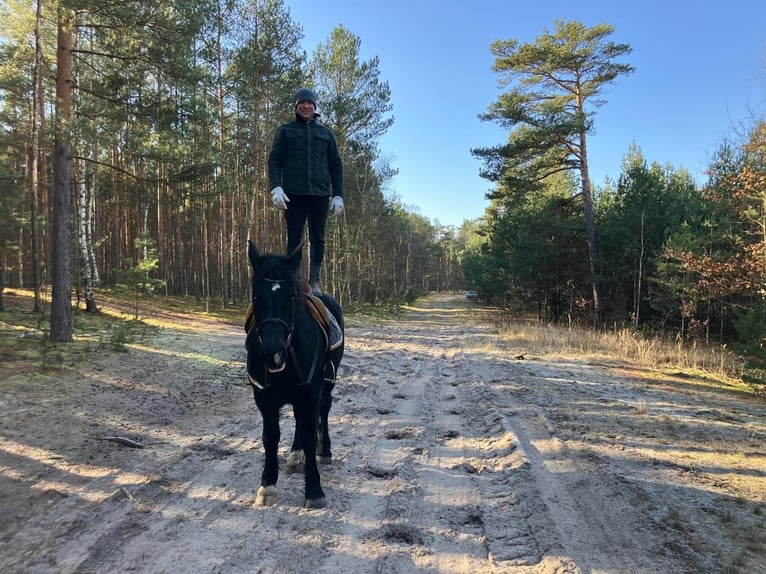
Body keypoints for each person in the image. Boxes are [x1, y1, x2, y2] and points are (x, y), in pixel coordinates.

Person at [267, 87, 344, 296]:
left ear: (315, 106)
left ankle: (315, 281)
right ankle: (295, 278)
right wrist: (276, 187)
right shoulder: (285, 130)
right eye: (302, 103)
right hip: (293, 194)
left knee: (318, 237)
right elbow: (275, 160)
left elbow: (336, 166)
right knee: (294, 237)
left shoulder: (326, 134)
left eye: (310, 103)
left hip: (319, 194)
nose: (306, 106)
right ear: (296, 106)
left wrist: (338, 195)